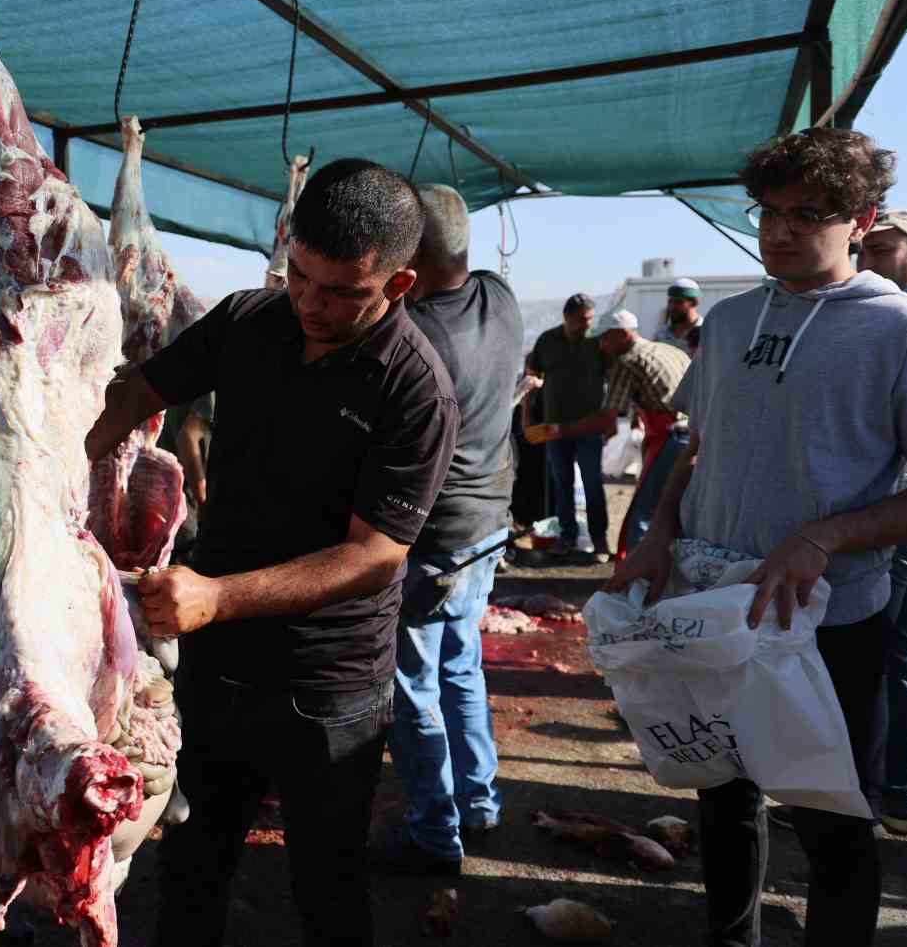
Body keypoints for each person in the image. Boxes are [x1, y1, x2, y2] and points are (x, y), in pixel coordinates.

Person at [85, 159, 458, 947]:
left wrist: (220, 597)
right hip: (218, 665)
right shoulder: (248, 319)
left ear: (400, 284)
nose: (313, 305)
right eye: (301, 278)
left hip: (328, 686)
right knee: (190, 861)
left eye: (343, 292)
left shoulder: (416, 387)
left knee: (325, 885)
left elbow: (376, 554)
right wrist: (63, 466)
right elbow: (137, 393)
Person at [609, 127, 907, 947]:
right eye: (766, 212)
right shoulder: (733, 320)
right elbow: (696, 447)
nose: (777, 232)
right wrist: (657, 535)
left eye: (805, 214)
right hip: (715, 612)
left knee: (834, 823)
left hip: (830, 621)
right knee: (724, 795)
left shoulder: (897, 330)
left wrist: (826, 535)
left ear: (862, 217)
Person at [375, 184, 523, 875]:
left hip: (435, 537)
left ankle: (436, 832)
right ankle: (480, 804)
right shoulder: (500, 296)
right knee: (461, 671)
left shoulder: (416, 334)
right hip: (488, 523)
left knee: (414, 688)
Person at [855, 207, 907, 835]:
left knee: (881, 654)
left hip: (896, 520)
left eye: (886, 250)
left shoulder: (901, 322)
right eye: (866, 251)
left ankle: (874, 795)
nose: (872, 262)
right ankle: (893, 792)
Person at [551, 308, 691, 558]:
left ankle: (632, 576)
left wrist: (561, 429)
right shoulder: (670, 351)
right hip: (697, 439)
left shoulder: (628, 361)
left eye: (606, 339)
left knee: (644, 512)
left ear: (623, 334)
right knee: (680, 511)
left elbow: (607, 416)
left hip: (671, 439)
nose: (602, 346)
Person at [525, 294, 609, 560]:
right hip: (554, 429)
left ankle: (600, 541)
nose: (587, 324)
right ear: (568, 317)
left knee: (593, 484)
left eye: (590, 319)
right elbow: (532, 371)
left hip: (588, 429)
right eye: (583, 319)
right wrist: (528, 414)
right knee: (562, 484)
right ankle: (567, 537)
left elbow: (616, 377)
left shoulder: (598, 342)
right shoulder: (548, 341)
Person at [157, 391, 213, 565]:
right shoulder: (214, 390)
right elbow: (187, 438)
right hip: (180, 496)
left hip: (161, 489)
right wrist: (203, 502)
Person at [653, 277, 703, 353]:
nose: (672, 307)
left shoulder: (706, 332)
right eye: (670, 302)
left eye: (678, 302)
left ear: (694, 302)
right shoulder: (662, 334)